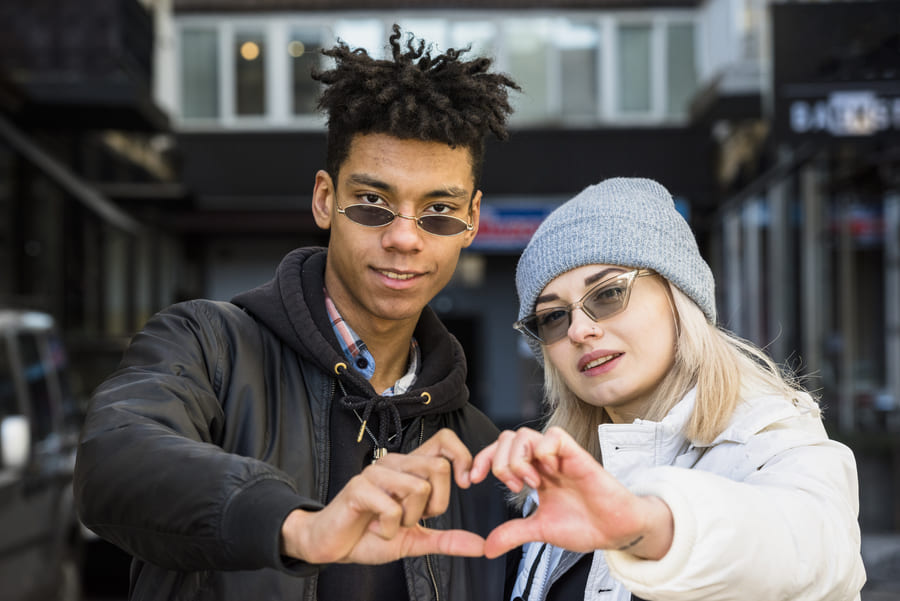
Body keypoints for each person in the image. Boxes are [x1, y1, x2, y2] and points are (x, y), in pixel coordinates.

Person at [74, 25, 519, 601]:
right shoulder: (207, 347)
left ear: (472, 220)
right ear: (324, 199)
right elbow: (115, 459)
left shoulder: (477, 448)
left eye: (438, 210)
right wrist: (297, 528)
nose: (405, 238)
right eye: (372, 203)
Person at [469, 177, 867, 601]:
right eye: (552, 317)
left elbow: (813, 549)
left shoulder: (773, 442)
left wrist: (650, 524)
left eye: (608, 293)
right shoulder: (558, 478)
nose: (580, 330)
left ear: (679, 297)